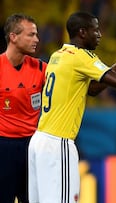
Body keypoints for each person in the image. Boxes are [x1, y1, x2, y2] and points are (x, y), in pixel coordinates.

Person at [28, 11, 116, 202]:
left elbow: (92, 89)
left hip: (39, 140)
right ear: (82, 32)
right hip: (58, 144)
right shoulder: (81, 57)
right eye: (95, 30)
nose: (99, 35)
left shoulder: (59, 55)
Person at [0, 13, 47, 203]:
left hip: (33, 146)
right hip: (4, 147)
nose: (36, 39)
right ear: (13, 37)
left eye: (36, 34)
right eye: (31, 34)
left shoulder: (41, 68)